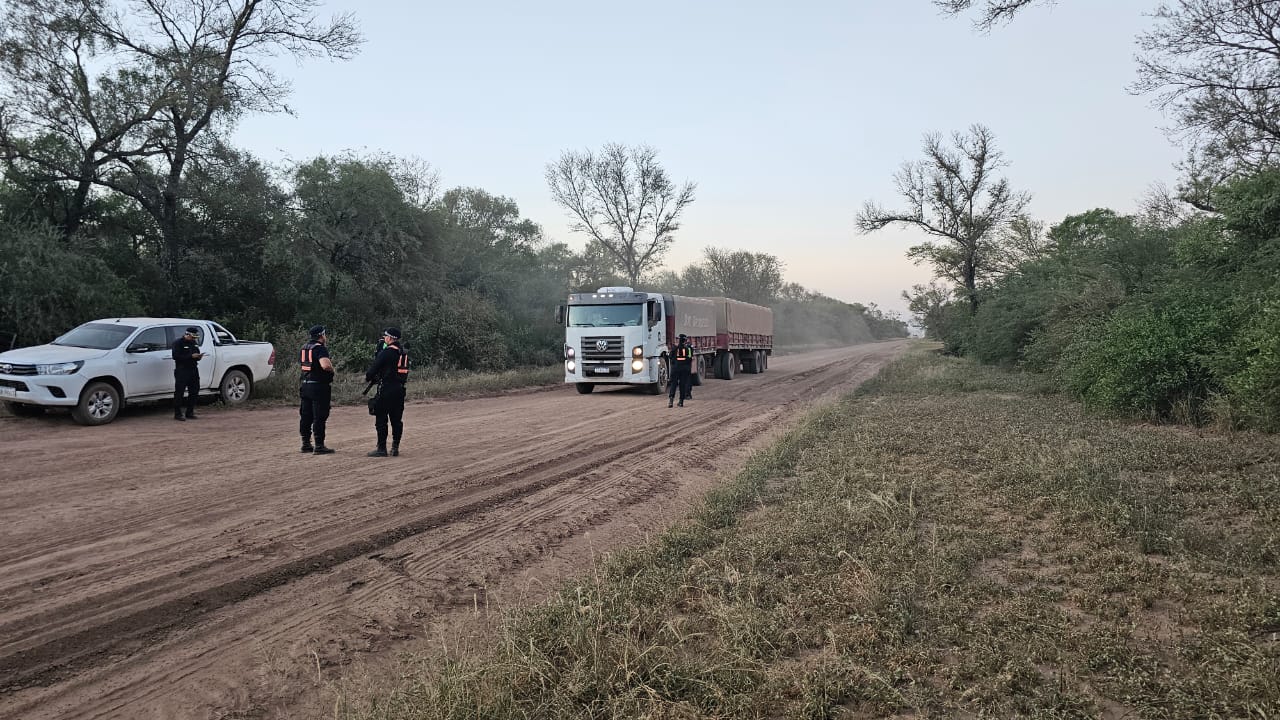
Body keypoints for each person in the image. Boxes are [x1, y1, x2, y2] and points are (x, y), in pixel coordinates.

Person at [364, 327, 409, 457]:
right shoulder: (403, 353)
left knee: (381, 419)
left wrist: (370, 377)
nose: (384, 338)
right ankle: (395, 447)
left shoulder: (386, 352)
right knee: (396, 420)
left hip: (386, 389)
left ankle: (381, 448)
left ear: (390, 338)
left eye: (385, 336)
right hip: (400, 389)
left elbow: (371, 371)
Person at [299, 325, 336, 454]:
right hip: (319, 386)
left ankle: (305, 444)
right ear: (322, 335)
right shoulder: (320, 349)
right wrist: (332, 370)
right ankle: (319, 446)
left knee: (306, 415)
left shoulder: (305, 348)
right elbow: (325, 365)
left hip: (305, 385)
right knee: (319, 416)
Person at [172, 326, 204, 420]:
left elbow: (196, 352)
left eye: (195, 337)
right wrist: (190, 356)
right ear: (187, 334)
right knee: (179, 392)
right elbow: (176, 356)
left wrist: (198, 356)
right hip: (182, 370)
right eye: (192, 337)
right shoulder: (178, 343)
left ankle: (190, 412)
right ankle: (177, 414)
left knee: (194, 391)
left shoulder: (194, 343)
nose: (194, 339)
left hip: (193, 370)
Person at [668, 333, 693, 408]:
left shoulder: (674, 348)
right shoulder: (688, 348)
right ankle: (681, 402)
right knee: (682, 385)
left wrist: (674, 363)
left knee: (673, 384)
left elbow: (670, 357)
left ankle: (671, 401)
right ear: (685, 340)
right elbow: (690, 358)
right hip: (685, 369)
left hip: (675, 369)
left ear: (679, 340)